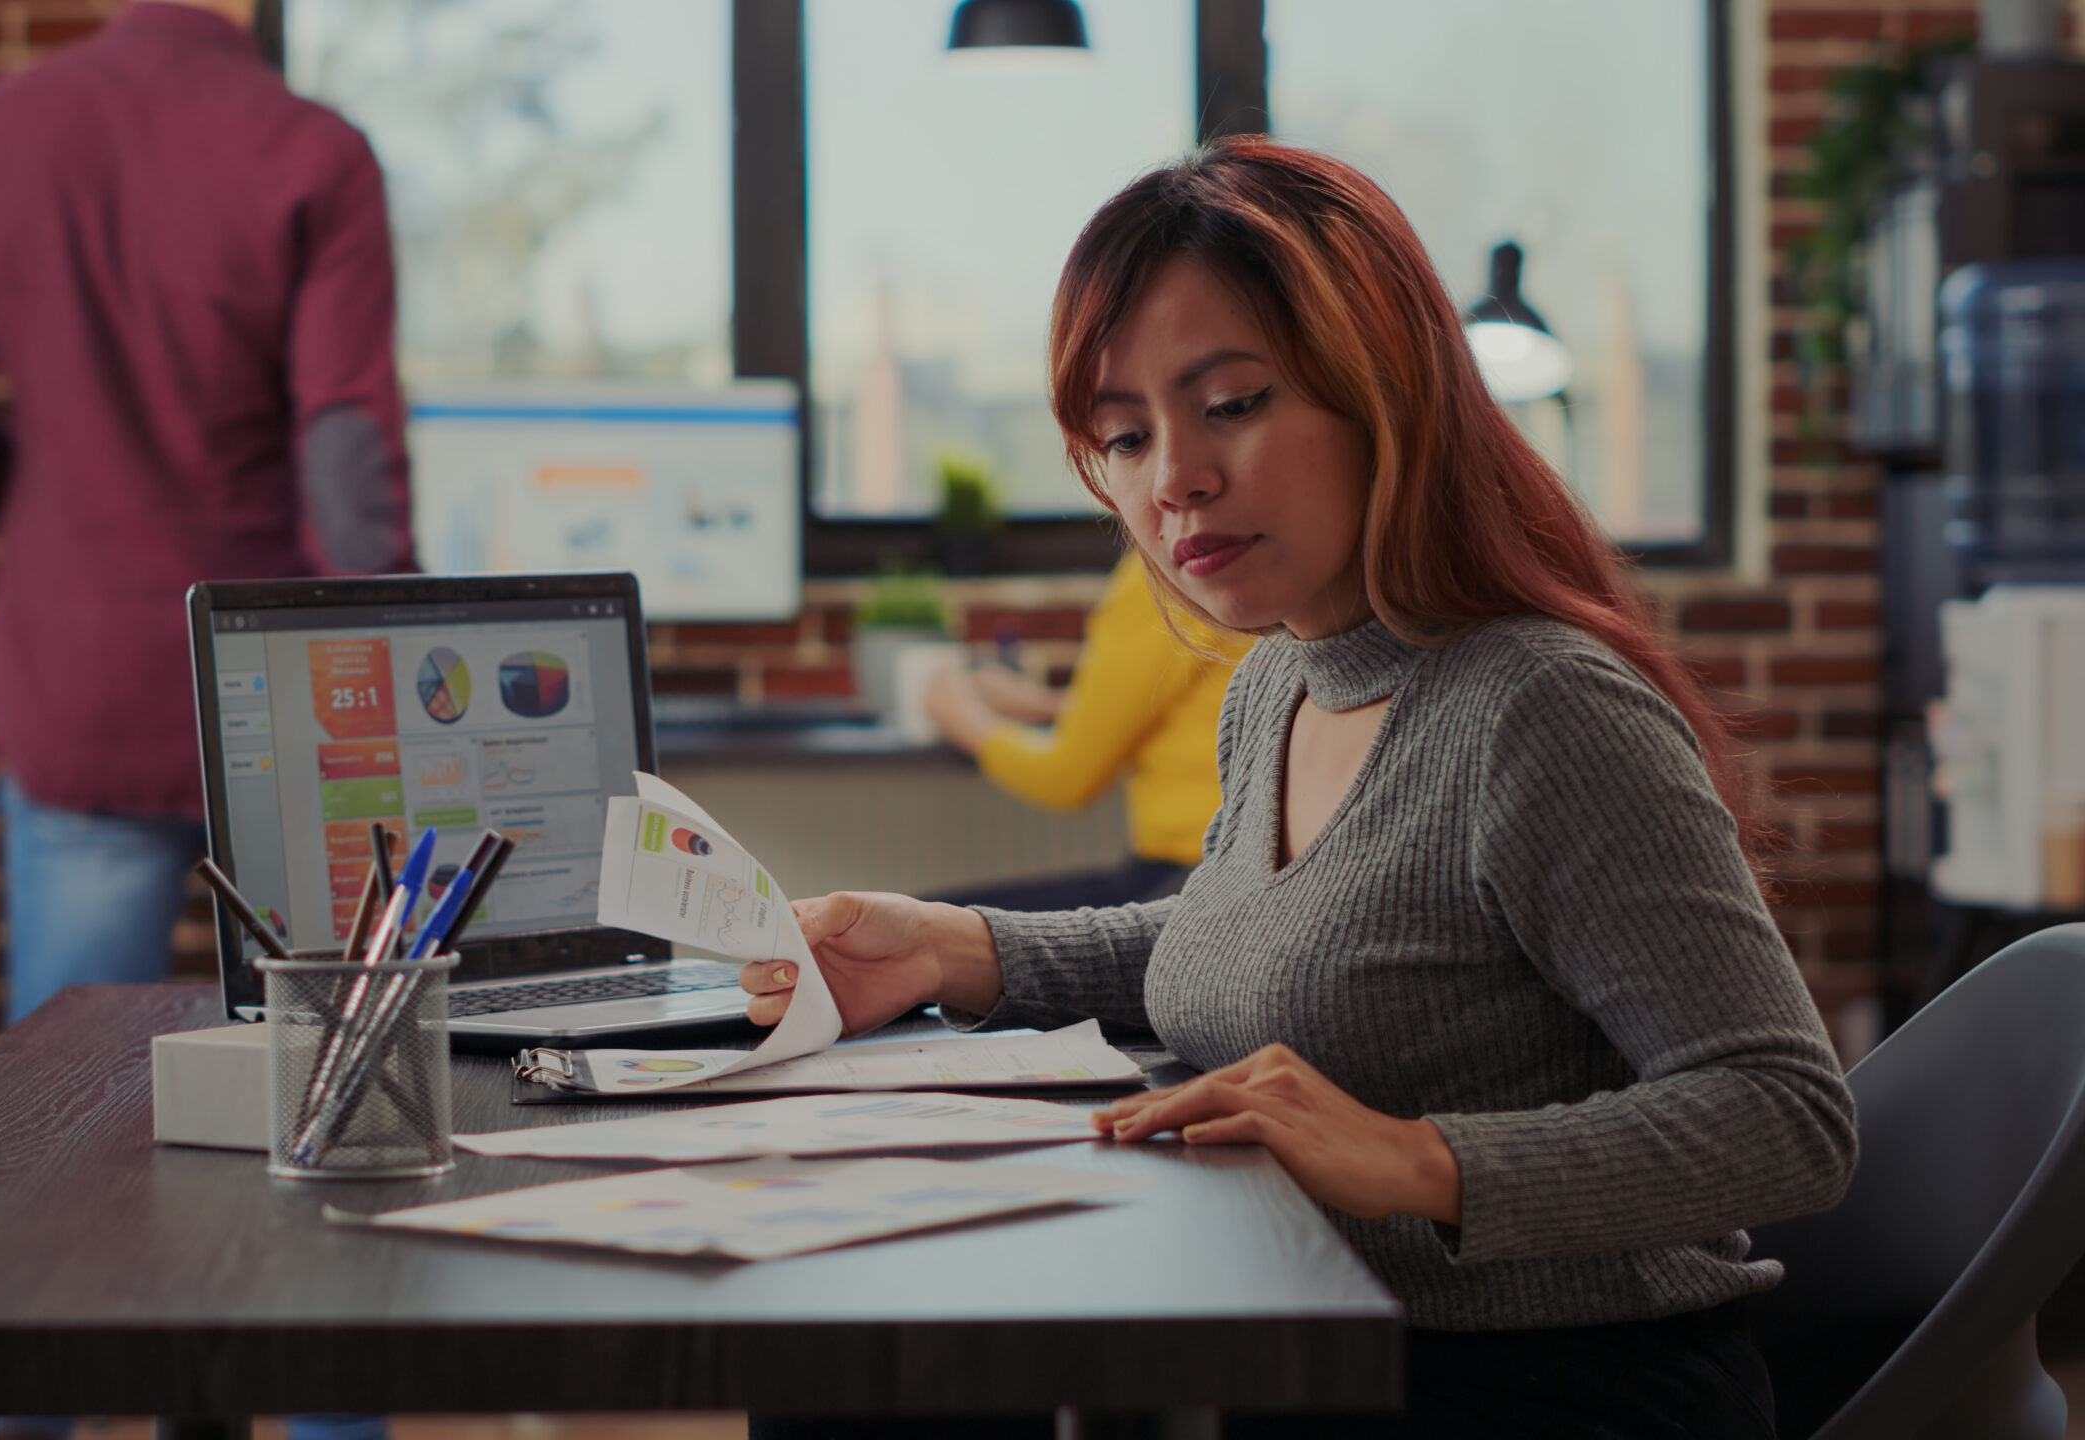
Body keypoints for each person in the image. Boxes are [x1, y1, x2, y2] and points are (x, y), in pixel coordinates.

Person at [742, 137, 1856, 1438]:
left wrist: (1415, 1160)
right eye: (1125, 435)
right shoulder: (1284, 680)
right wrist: (963, 948)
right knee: (866, 1356)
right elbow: (1279, 939)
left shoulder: (1544, 709)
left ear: (1384, 389)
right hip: (1313, 1349)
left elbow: (1785, 1118)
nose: (1175, 481)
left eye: (1232, 404)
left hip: (1542, 1391)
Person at [0, 0, 414, 1027]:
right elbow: (345, 456)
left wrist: (36, 495)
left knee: (62, 1095)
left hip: (81, 684)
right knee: (335, 1075)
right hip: (281, 694)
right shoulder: (313, 149)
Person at [922, 554, 1251, 910]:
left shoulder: (1168, 572)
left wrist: (962, 717)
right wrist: (1048, 704)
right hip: (1235, 869)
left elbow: (1066, 777)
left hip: (1188, 879)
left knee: (911, 929)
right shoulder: (1253, 569)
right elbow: (1194, 702)